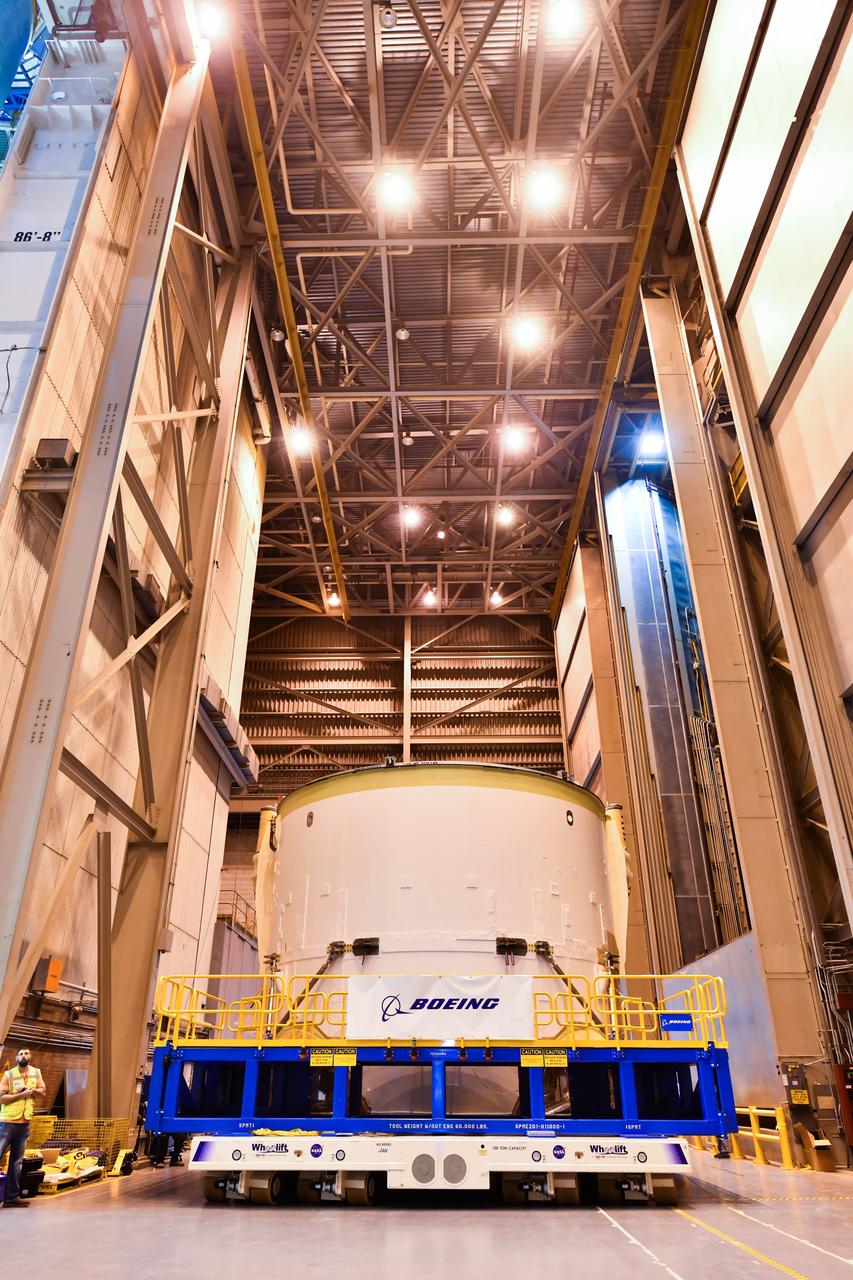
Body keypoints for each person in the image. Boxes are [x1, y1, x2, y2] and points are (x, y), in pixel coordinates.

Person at [0, 1048, 45, 1208]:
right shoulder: (9, 1074)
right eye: (20, 1054)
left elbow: (42, 1092)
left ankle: (11, 1197)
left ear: (30, 1056)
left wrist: (31, 1091)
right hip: (7, 1123)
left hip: (24, 1123)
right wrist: (19, 1095)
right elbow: (1, 1098)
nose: (23, 1056)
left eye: (26, 1053)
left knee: (16, 1162)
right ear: (16, 1057)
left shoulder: (36, 1073)